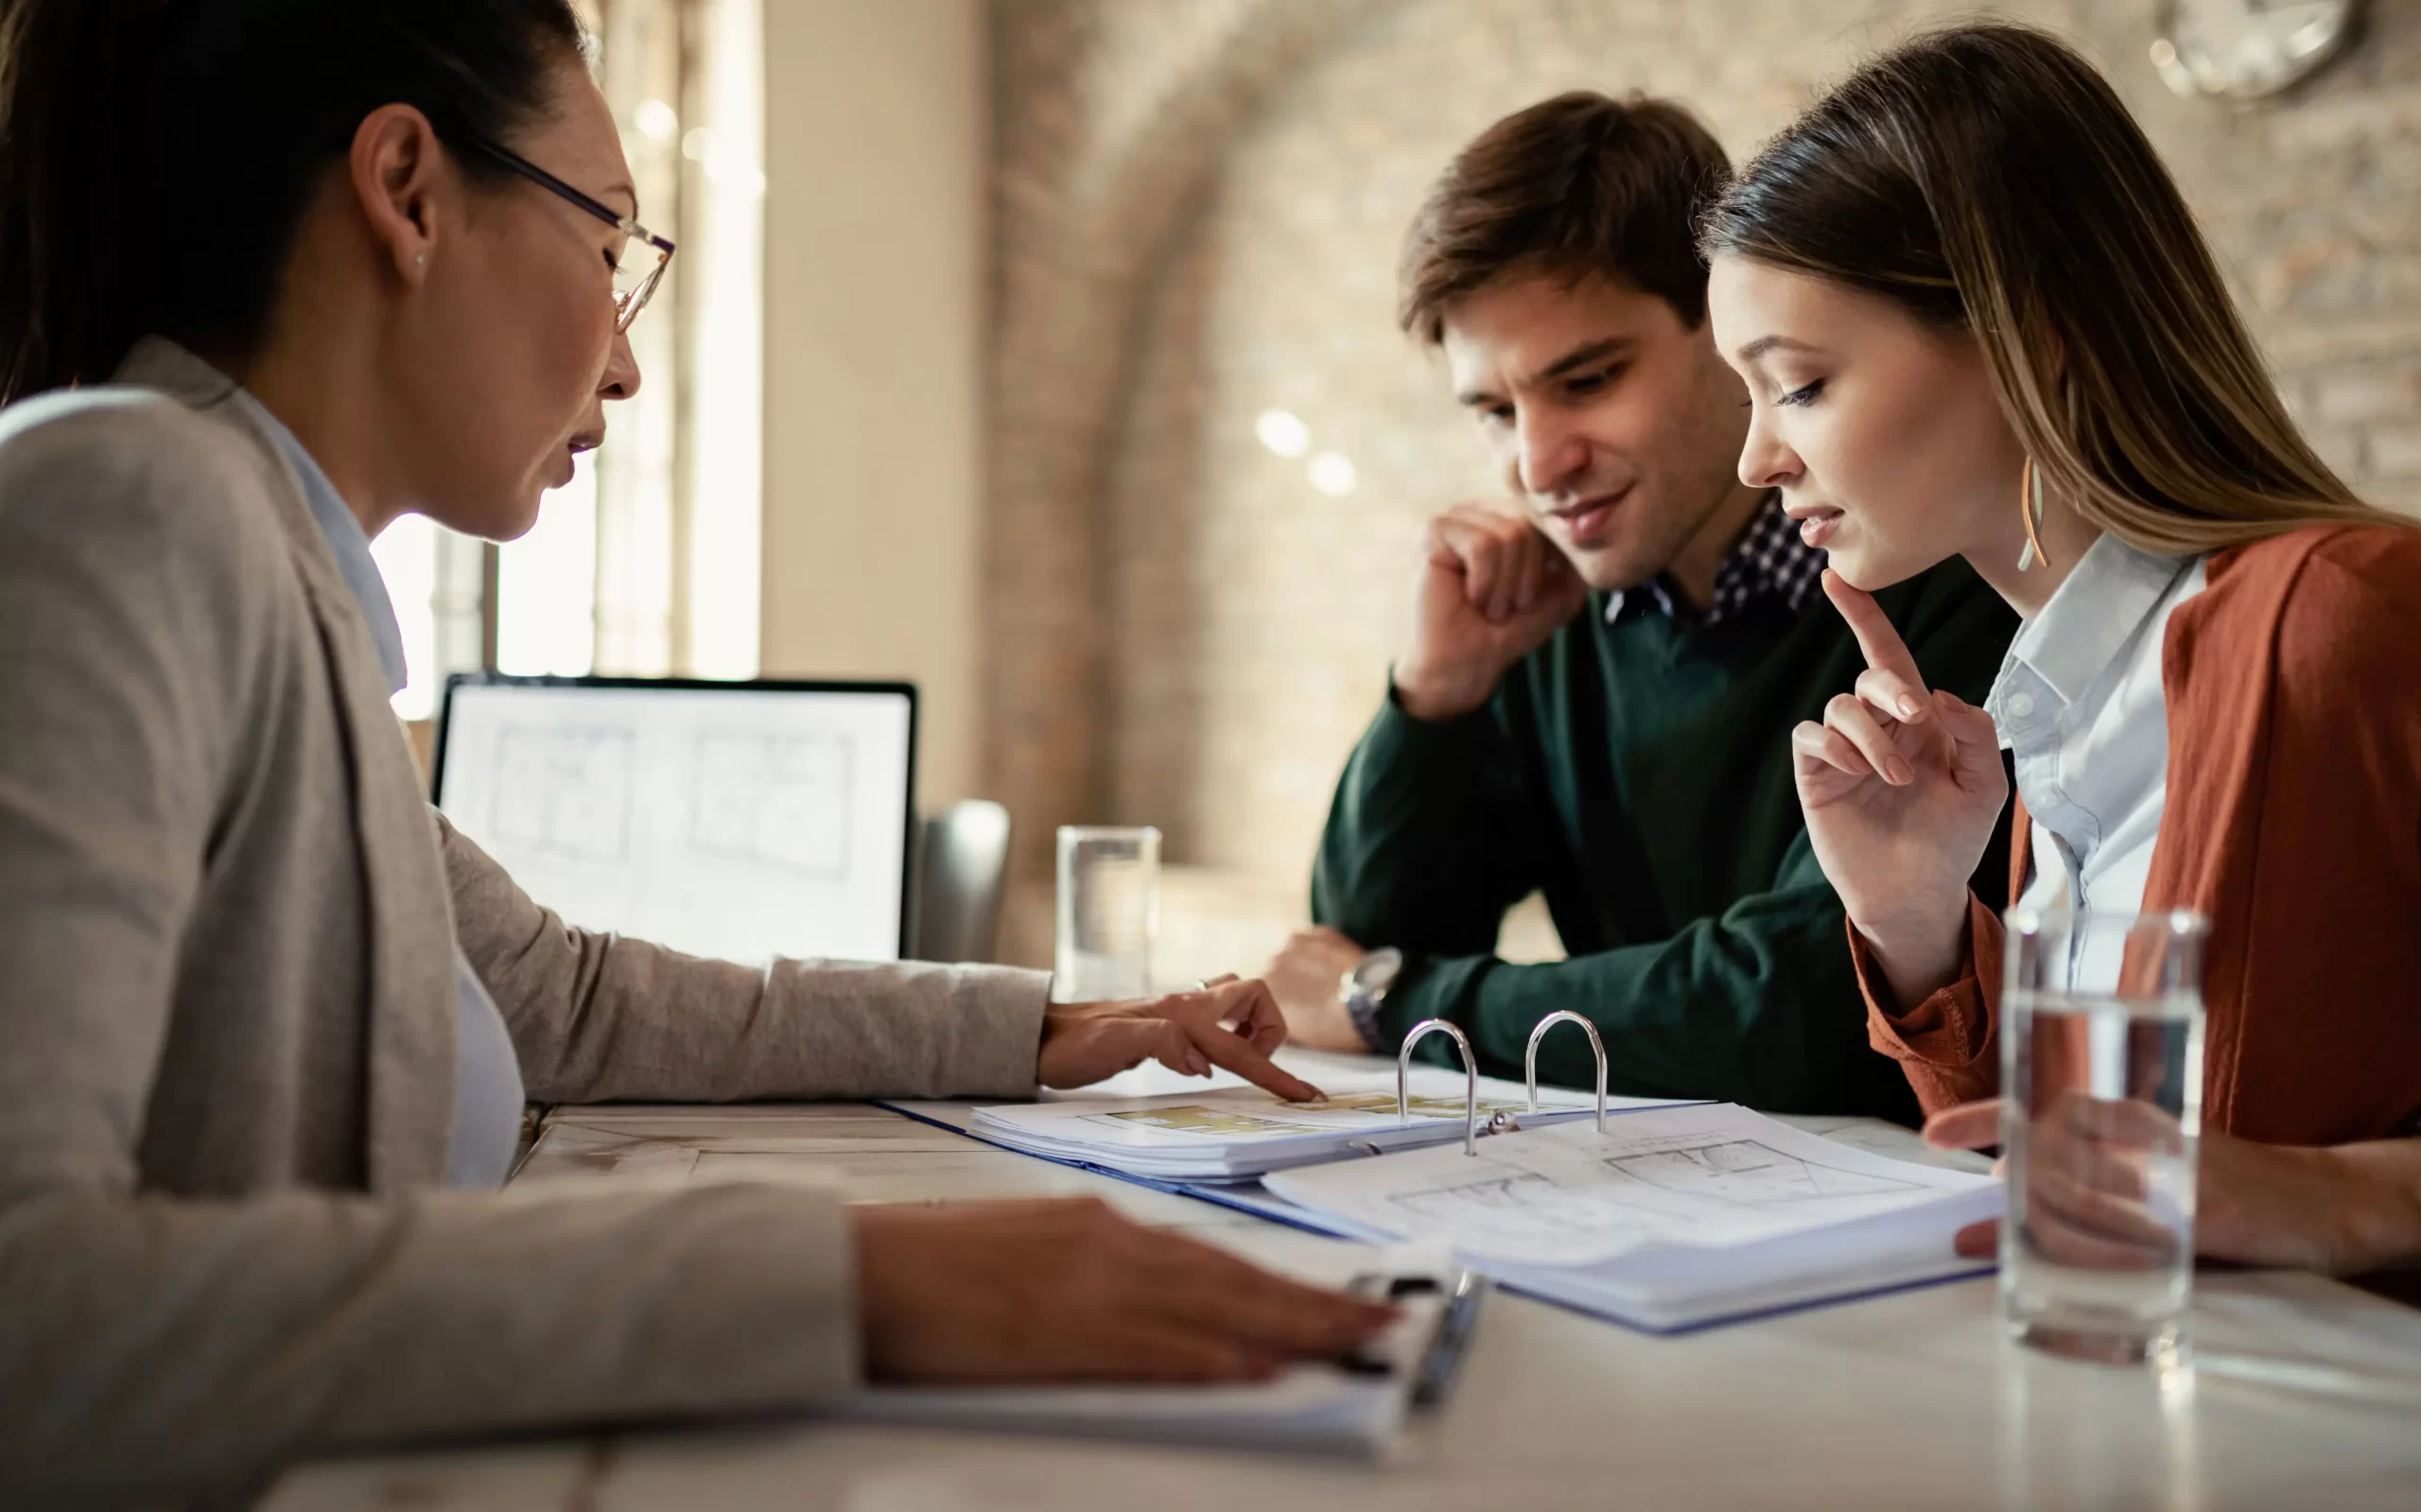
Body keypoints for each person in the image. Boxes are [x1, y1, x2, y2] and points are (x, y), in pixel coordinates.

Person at [0, 2, 1390, 1503]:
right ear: (407, 191)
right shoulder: (126, 505)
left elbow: (567, 994)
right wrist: (853, 1282)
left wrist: (1039, 1028)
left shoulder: (274, 582)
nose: (626, 366)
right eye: (610, 250)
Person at [1698, 23, 2421, 1277]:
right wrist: (1919, 921)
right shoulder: (2052, 699)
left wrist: (2344, 1198)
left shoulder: (2343, 619)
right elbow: (2062, 1178)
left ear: (2030, 337)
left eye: (1800, 384)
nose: (1756, 459)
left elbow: (2238, 1180)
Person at [1263, 93, 2016, 1118]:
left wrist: (1402, 1001)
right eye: (1493, 410)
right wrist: (1432, 698)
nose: (1537, 465)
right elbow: (1356, 949)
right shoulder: (1544, 616)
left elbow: (1796, 1010)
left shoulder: (1943, 569)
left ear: (1729, 328)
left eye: (1586, 380)